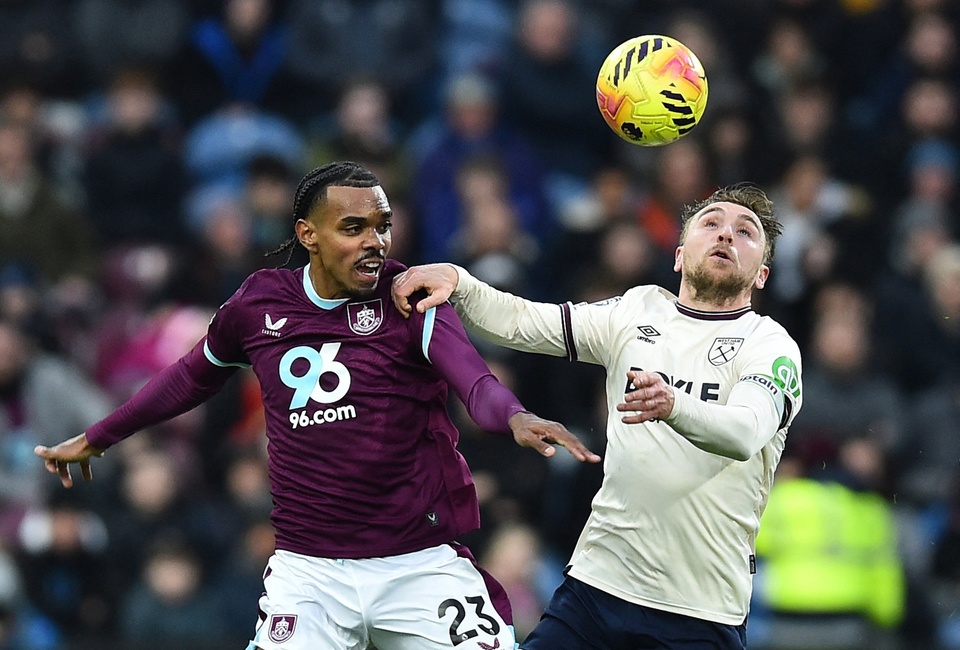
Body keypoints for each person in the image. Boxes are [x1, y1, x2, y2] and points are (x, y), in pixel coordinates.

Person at [34, 161, 600, 650]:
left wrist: (516, 415)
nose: (374, 241)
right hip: (310, 575)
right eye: (353, 228)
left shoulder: (410, 297)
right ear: (308, 234)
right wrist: (100, 435)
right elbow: (189, 378)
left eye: (382, 226)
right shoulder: (258, 305)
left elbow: (474, 383)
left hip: (419, 563)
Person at [393, 183, 804, 649]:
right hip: (596, 588)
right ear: (678, 255)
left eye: (745, 232)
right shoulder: (637, 310)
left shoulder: (770, 346)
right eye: (711, 224)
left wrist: (675, 405)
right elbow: (527, 321)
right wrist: (461, 283)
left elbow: (745, 432)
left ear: (762, 274)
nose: (726, 234)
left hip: (699, 609)